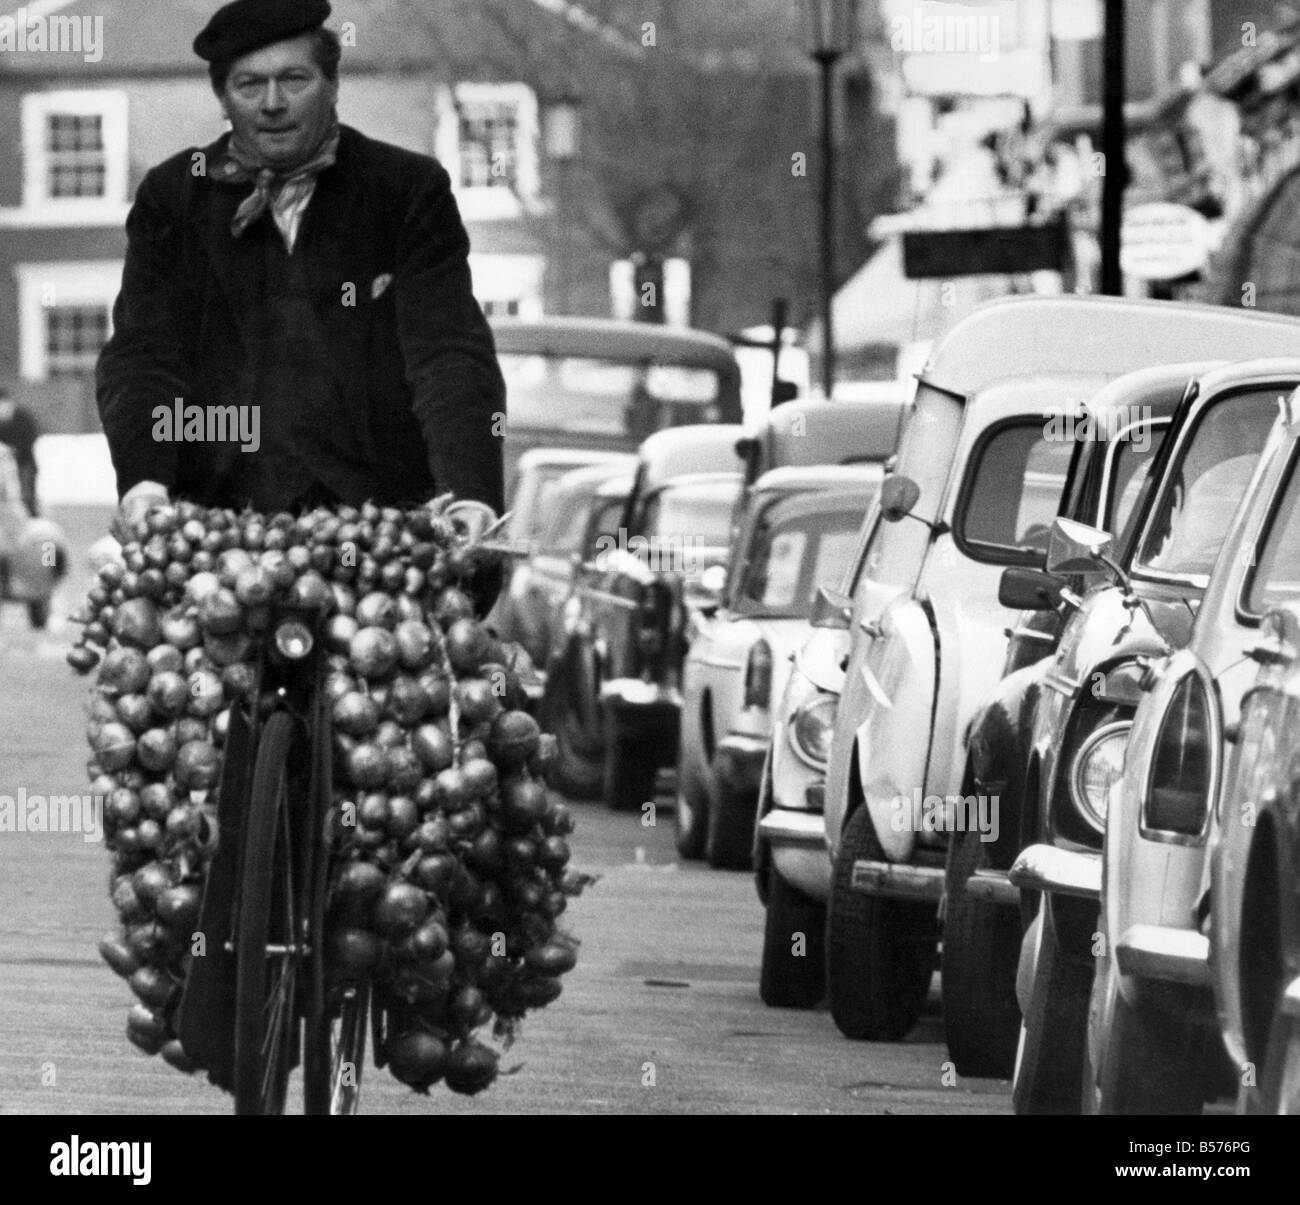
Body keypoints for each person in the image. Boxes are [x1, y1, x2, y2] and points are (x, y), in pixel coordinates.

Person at [96, 0, 506, 608]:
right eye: (249, 84)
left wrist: (469, 494)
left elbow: (448, 355)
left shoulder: (405, 190)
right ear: (223, 96)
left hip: (383, 532)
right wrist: (145, 482)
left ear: (333, 84)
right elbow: (145, 355)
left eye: (294, 79)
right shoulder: (173, 197)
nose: (272, 103)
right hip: (221, 533)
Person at [0, 385, 40, 516]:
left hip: (24, 463)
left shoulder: (22, 417)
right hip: (4, 465)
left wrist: (14, 449)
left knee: (27, 496)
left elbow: (31, 436)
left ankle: (33, 521)